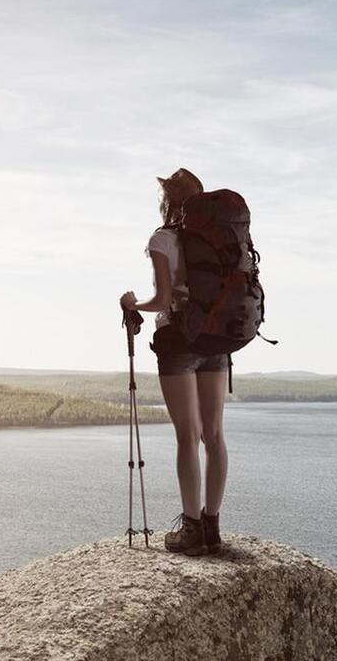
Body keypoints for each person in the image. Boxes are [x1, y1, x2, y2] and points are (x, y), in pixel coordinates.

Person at [119, 167, 225, 556]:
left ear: (168, 200)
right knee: (213, 435)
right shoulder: (215, 240)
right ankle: (212, 525)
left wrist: (133, 305)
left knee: (187, 435)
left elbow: (162, 301)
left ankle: (191, 529)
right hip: (216, 339)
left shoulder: (162, 239)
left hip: (180, 339)